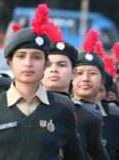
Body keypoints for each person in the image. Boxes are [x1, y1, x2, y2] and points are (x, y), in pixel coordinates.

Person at [0, 5, 84, 159]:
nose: (28, 63)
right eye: (21, 56)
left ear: (46, 63)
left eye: (36, 57)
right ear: (10, 62)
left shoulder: (63, 108)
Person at [42, 25, 107, 160]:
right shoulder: (26, 108)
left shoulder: (89, 116)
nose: (54, 69)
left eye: (62, 65)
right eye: (48, 65)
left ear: (73, 73)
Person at [72, 29, 109, 160]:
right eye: (79, 73)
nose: (85, 79)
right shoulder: (65, 110)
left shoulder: (116, 116)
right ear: (71, 76)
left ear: (102, 80)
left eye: (92, 73)